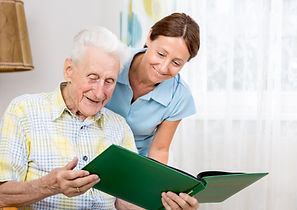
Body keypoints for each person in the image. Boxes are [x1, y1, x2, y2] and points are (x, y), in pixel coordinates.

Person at [0, 27, 198, 209]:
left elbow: (126, 200)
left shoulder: (119, 127)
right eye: (93, 77)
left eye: (109, 81)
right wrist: (48, 186)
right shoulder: (24, 111)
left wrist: (166, 205)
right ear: (69, 70)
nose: (99, 92)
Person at [106, 13, 200, 164]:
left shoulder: (179, 95)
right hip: (93, 151)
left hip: (137, 163)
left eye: (176, 63)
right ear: (149, 37)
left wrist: (153, 185)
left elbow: (159, 150)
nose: (163, 68)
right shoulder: (113, 62)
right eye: (161, 54)